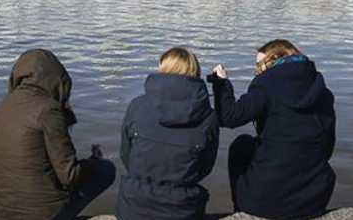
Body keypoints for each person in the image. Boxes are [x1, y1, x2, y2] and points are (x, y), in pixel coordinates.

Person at [209, 40, 336, 220]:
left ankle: (240, 211)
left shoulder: (266, 85)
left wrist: (221, 83)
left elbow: (229, 117)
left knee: (241, 145)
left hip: (264, 202)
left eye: (259, 65)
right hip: (314, 199)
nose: (257, 71)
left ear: (274, 60)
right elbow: (327, 148)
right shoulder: (322, 92)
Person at [0, 49, 115, 220]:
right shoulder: (48, 110)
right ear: (56, 79)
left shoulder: (3, 105)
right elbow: (69, 176)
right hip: (43, 214)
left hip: (4, 211)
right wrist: (93, 162)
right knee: (106, 169)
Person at [116, 47, 219, 220]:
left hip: (133, 208)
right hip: (183, 210)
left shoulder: (137, 106)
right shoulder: (208, 116)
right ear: (195, 71)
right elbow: (205, 166)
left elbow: (126, 154)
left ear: (162, 68)